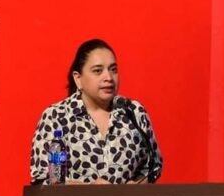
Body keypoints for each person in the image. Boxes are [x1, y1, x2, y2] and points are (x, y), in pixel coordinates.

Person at [30, 39, 162, 184]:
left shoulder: (134, 112)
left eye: (113, 70)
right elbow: (47, 180)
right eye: (98, 71)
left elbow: (153, 166)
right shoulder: (57, 117)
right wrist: (91, 190)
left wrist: (137, 186)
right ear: (78, 79)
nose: (109, 78)